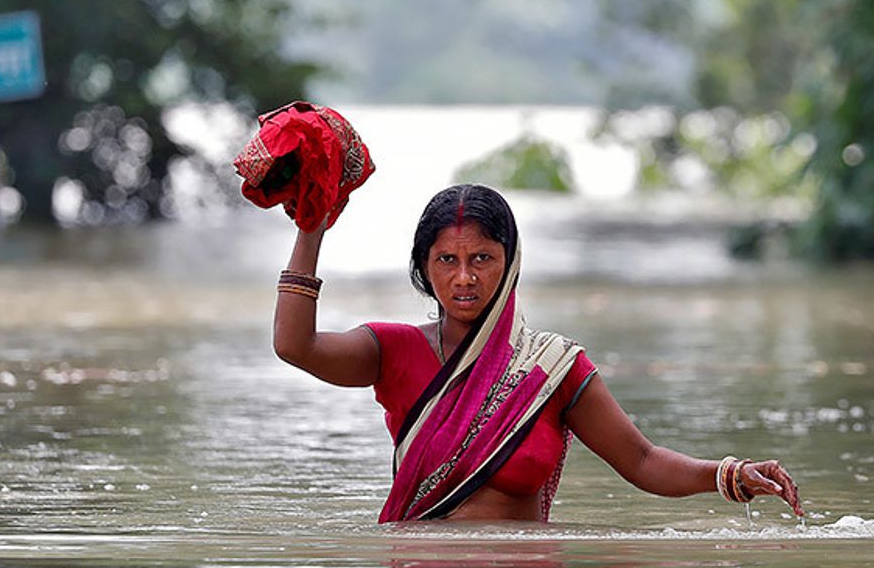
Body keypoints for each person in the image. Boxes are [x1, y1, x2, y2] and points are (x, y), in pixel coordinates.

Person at [273, 183, 803, 523]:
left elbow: (642, 461)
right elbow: (295, 346)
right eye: (446, 260)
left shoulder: (553, 368)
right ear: (423, 267)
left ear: (511, 262)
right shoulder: (392, 350)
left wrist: (730, 474)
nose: (464, 278)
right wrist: (311, 229)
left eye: (482, 257)